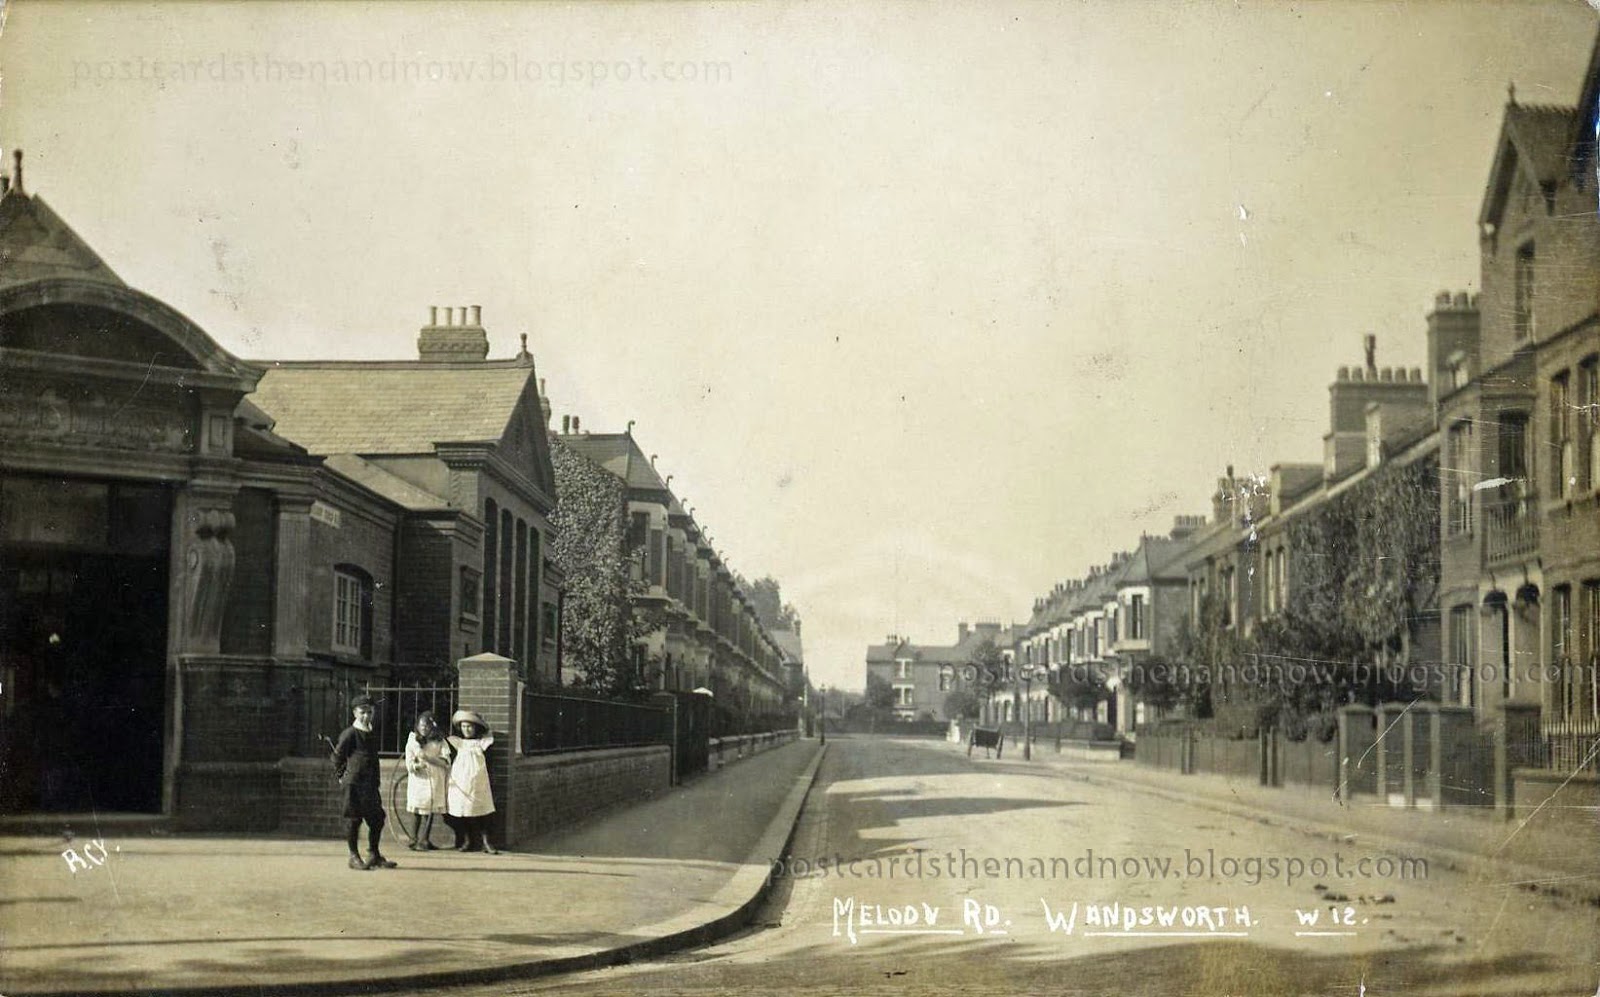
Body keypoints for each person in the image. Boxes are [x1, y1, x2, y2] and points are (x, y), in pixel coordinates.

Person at [331, 695, 396, 870]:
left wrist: (376, 780)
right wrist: (342, 776)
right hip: (354, 784)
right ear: (355, 713)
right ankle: (353, 856)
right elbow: (337, 756)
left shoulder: (371, 732)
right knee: (353, 820)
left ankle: (374, 854)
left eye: (369, 712)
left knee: (377, 819)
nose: (366, 716)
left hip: (370, 784)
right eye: (362, 712)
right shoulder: (350, 733)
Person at [447, 709, 498, 854]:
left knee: (483, 810)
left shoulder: (483, 743)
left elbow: (489, 763)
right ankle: (468, 840)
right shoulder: (458, 743)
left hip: (478, 781)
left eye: (469, 726)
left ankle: (487, 842)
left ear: (476, 727)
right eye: (463, 726)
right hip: (461, 781)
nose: (466, 730)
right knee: (463, 810)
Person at [403, 711, 451, 850]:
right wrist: (416, 766)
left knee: (430, 809)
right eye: (421, 725)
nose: (424, 728)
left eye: (427, 725)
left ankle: (425, 839)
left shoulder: (440, 742)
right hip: (419, 778)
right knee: (417, 808)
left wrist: (429, 759)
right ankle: (413, 839)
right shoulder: (413, 741)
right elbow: (409, 761)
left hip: (434, 778)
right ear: (417, 726)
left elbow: (446, 761)